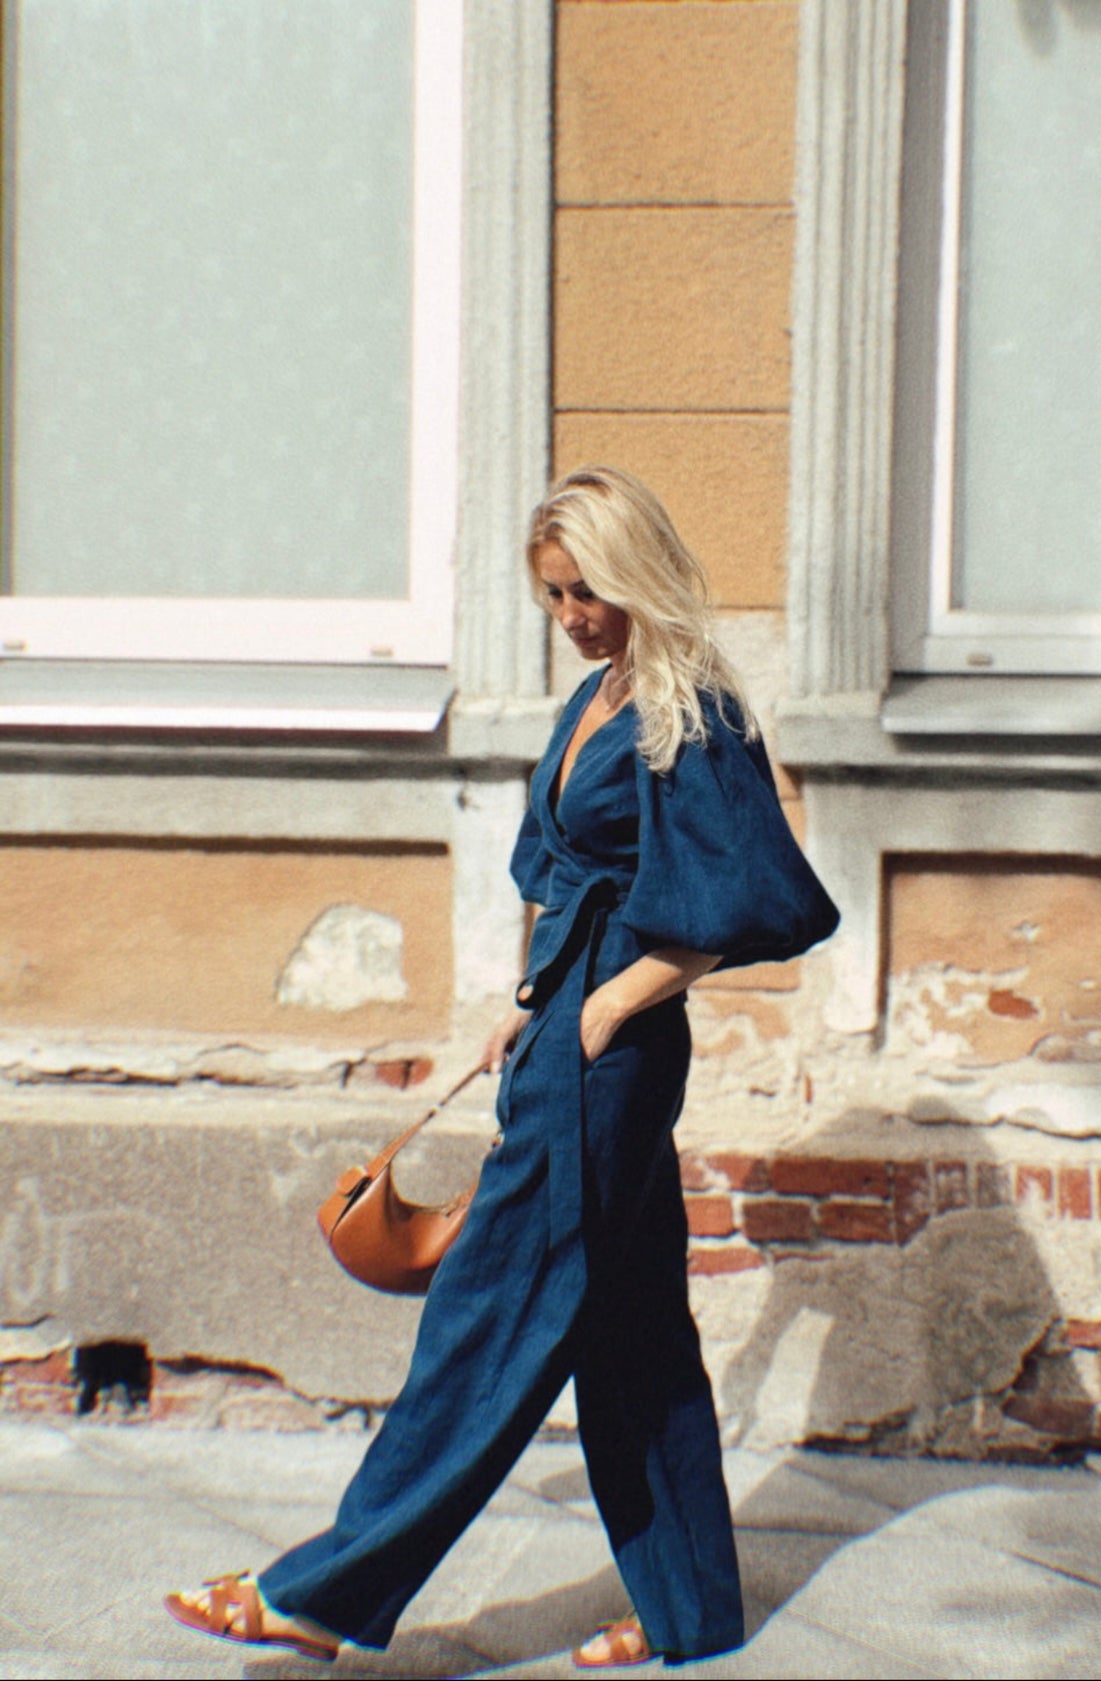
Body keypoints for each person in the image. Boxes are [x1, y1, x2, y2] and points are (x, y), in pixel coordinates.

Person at [164, 465, 839, 1668]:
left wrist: (614, 1001)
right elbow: (558, 876)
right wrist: (527, 1005)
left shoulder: (698, 711)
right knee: (633, 1333)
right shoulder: (595, 696)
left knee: (487, 1317)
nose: (574, 614)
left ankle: (328, 1590)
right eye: (554, 595)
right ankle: (695, 1610)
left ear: (638, 572)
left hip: (613, 1051)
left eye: (588, 589)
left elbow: (759, 899)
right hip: (564, 1028)